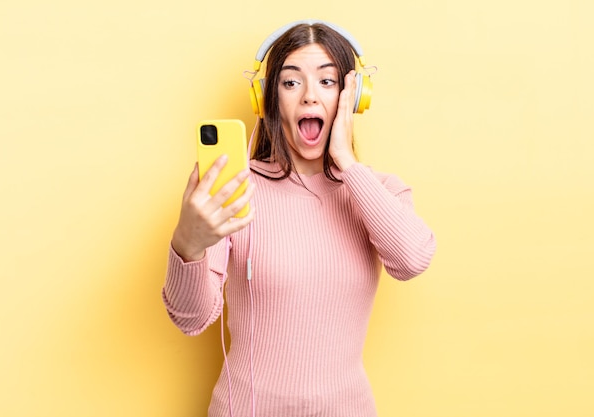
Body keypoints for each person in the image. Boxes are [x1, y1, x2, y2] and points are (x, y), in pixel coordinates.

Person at [162, 20, 437, 417]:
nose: (310, 97)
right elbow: (191, 319)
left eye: (327, 82)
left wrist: (346, 163)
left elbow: (412, 261)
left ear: (353, 97)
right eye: (291, 83)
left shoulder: (379, 190)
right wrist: (188, 243)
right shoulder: (234, 189)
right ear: (268, 99)